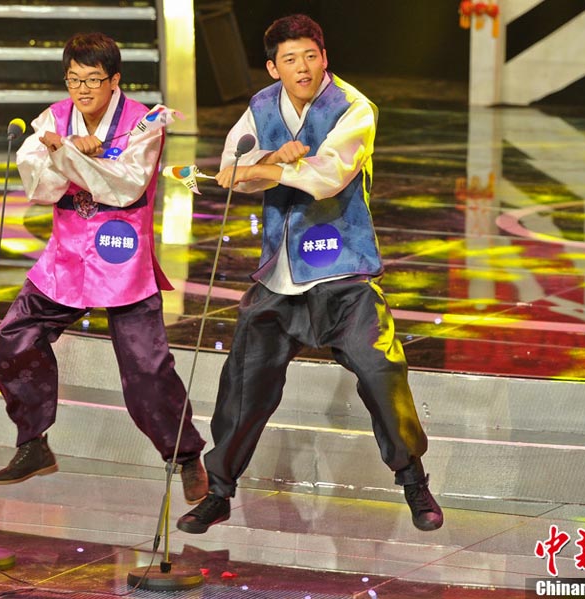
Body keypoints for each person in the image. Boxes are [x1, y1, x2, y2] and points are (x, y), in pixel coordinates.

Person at [177, 14, 443, 533]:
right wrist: (272, 158)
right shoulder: (260, 107)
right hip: (279, 274)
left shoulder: (354, 108)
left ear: (325, 58)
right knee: (244, 384)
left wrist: (269, 169)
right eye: (290, 59)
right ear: (274, 67)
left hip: (342, 268)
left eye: (310, 56)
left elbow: (327, 176)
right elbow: (230, 171)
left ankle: (414, 481)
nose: (302, 67)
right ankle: (220, 492)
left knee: (380, 371)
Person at [0, 32, 208, 505]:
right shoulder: (53, 118)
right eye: (73, 80)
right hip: (65, 259)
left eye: (93, 80)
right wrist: (65, 150)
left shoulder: (144, 123)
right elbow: (40, 186)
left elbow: (123, 187)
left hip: (121, 259)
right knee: (12, 337)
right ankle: (33, 443)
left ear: (115, 81)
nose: (82, 90)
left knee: (147, 372)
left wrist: (63, 152)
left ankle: (185, 455)